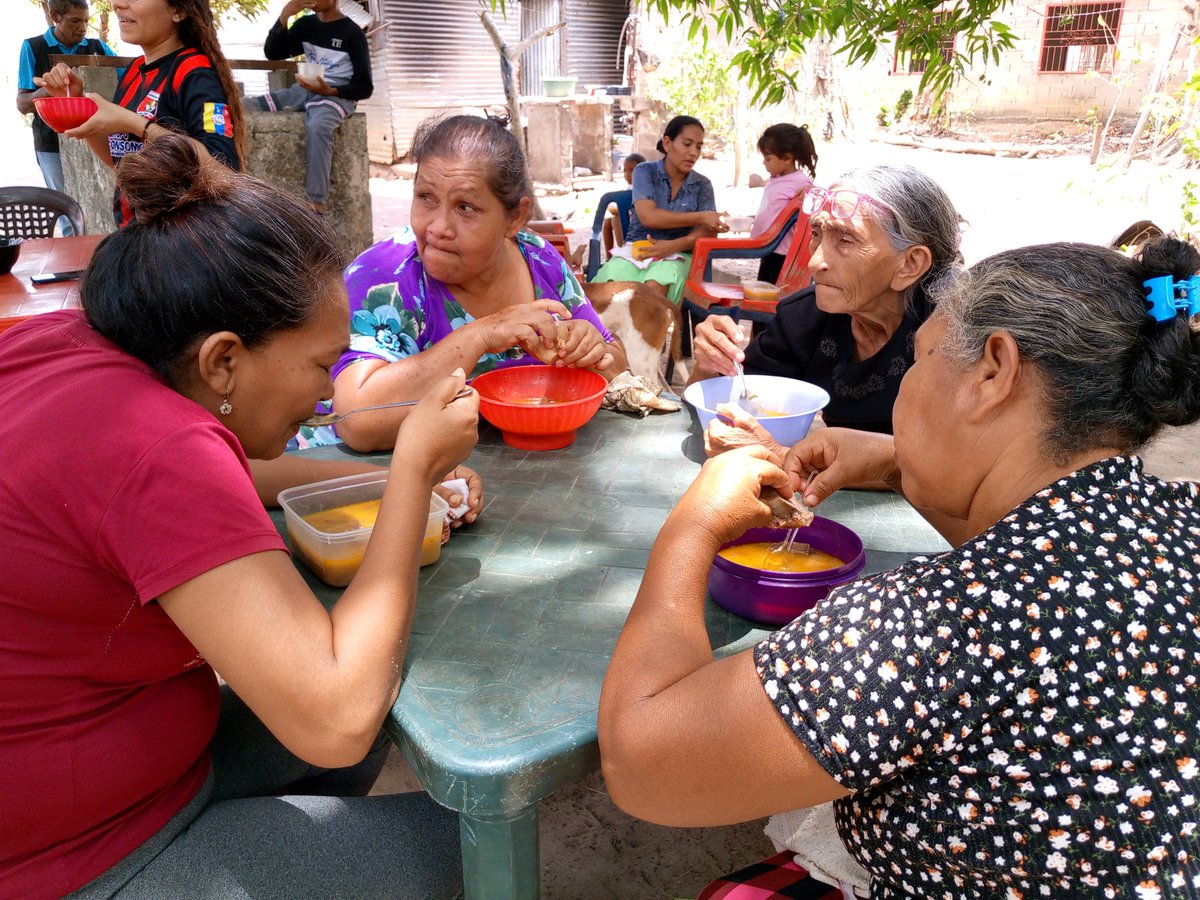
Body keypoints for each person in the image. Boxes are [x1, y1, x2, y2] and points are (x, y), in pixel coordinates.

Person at [598, 237, 1200, 899]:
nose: (909, 384)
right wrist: (894, 459)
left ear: (993, 371)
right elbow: (1033, 541)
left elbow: (640, 762)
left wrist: (695, 523)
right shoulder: (1178, 515)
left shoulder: (935, 625)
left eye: (920, 361)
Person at [0, 132, 476, 897]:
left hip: (116, 763)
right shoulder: (158, 450)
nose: (327, 398)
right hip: (73, 857)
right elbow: (336, 714)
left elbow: (217, 469)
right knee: (484, 848)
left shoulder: (85, 340)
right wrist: (414, 471)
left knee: (353, 744)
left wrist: (383, 482)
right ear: (224, 360)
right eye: (323, 366)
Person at [308, 113, 628, 453]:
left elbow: (617, 365)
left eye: (465, 207)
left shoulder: (541, 261)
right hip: (352, 478)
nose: (438, 227)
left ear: (516, 217)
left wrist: (593, 353)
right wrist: (483, 334)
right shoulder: (386, 275)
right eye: (426, 197)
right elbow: (358, 421)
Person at [690, 164, 960, 454]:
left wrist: (787, 457)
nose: (815, 262)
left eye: (845, 240)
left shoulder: (954, 332)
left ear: (910, 264)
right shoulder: (805, 318)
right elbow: (726, 408)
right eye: (816, 233)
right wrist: (709, 366)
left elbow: (953, 460)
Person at [35, 0, 245, 226]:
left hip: (180, 242)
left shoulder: (194, 72)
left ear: (178, 10)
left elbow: (223, 172)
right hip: (136, 234)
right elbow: (119, 159)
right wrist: (76, 104)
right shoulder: (133, 71)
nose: (117, 4)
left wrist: (138, 125)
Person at [248, 0, 373, 214]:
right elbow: (273, 52)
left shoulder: (352, 33)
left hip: (337, 96)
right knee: (249, 105)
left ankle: (316, 201)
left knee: (318, 125)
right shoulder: (306, 26)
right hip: (305, 89)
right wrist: (284, 15)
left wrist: (332, 91)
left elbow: (365, 87)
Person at [591, 115, 728, 304]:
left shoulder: (702, 184)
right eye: (687, 144)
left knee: (655, 287)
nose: (693, 152)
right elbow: (649, 217)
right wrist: (702, 216)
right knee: (614, 285)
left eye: (698, 146)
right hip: (637, 251)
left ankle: (654, 333)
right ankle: (611, 334)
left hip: (679, 255)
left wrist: (674, 245)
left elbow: (708, 232)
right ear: (667, 143)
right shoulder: (645, 172)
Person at [15, 0, 116, 233]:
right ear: (55, 17)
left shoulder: (98, 48)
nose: (82, 28)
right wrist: (50, 90)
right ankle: (77, 266)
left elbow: (128, 74)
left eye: (85, 21)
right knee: (68, 213)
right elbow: (21, 103)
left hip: (95, 139)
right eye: (75, 21)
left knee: (103, 207)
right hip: (51, 144)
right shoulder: (34, 47)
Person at [750, 123, 817, 284]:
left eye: (768, 158)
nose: (764, 163)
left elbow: (813, 203)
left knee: (774, 296)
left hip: (782, 253)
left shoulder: (799, 183)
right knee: (763, 289)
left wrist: (810, 193)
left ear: (787, 158)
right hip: (768, 249)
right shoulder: (777, 180)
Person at [602, 151, 647, 257]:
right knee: (607, 222)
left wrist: (617, 210)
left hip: (640, 230)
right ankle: (608, 258)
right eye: (625, 170)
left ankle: (624, 248)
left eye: (632, 170)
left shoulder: (644, 189)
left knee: (615, 218)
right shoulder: (629, 189)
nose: (627, 174)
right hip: (631, 222)